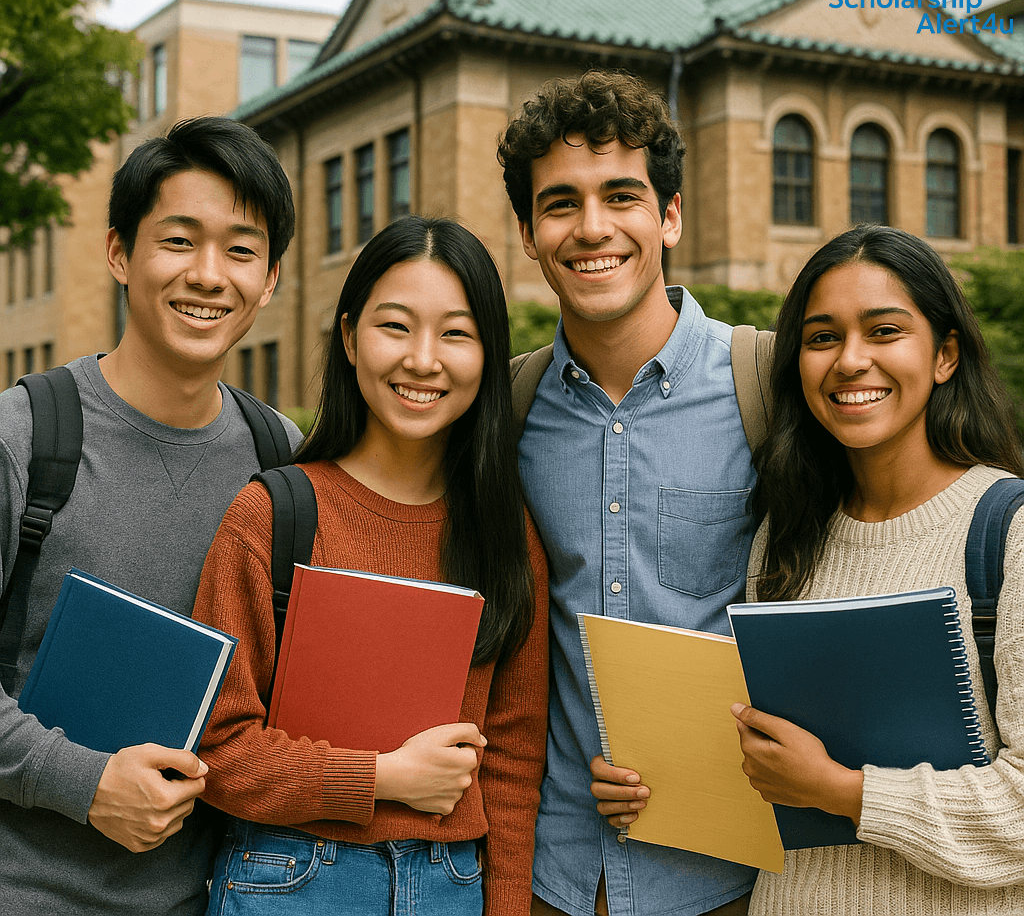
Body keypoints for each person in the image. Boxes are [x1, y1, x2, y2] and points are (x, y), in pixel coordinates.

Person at [191, 215, 549, 916]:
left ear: (488, 354)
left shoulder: (505, 533)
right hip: (289, 880)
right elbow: (216, 748)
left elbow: (512, 765)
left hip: (454, 886)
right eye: (395, 327)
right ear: (351, 337)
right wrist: (381, 777)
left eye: (456, 333)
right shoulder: (273, 515)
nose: (423, 359)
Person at [0, 115, 303, 915]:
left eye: (241, 251)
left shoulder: (286, 464)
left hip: (215, 899)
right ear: (118, 254)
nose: (210, 275)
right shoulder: (25, 439)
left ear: (270, 280)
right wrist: (84, 781)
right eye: (178, 240)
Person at [497, 70, 757, 915]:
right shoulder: (504, 412)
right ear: (530, 233)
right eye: (561, 203)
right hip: (551, 879)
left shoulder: (768, 389)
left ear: (670, 215)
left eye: (622, 195)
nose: (593, 228)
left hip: (723, 881)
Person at [729, 225, 1024, 914]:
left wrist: (842, 791)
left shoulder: (1006, 532)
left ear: (945, 354)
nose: (850, 361)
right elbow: (768, 769)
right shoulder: (785, 532)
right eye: (822, 337)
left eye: (884, 331)